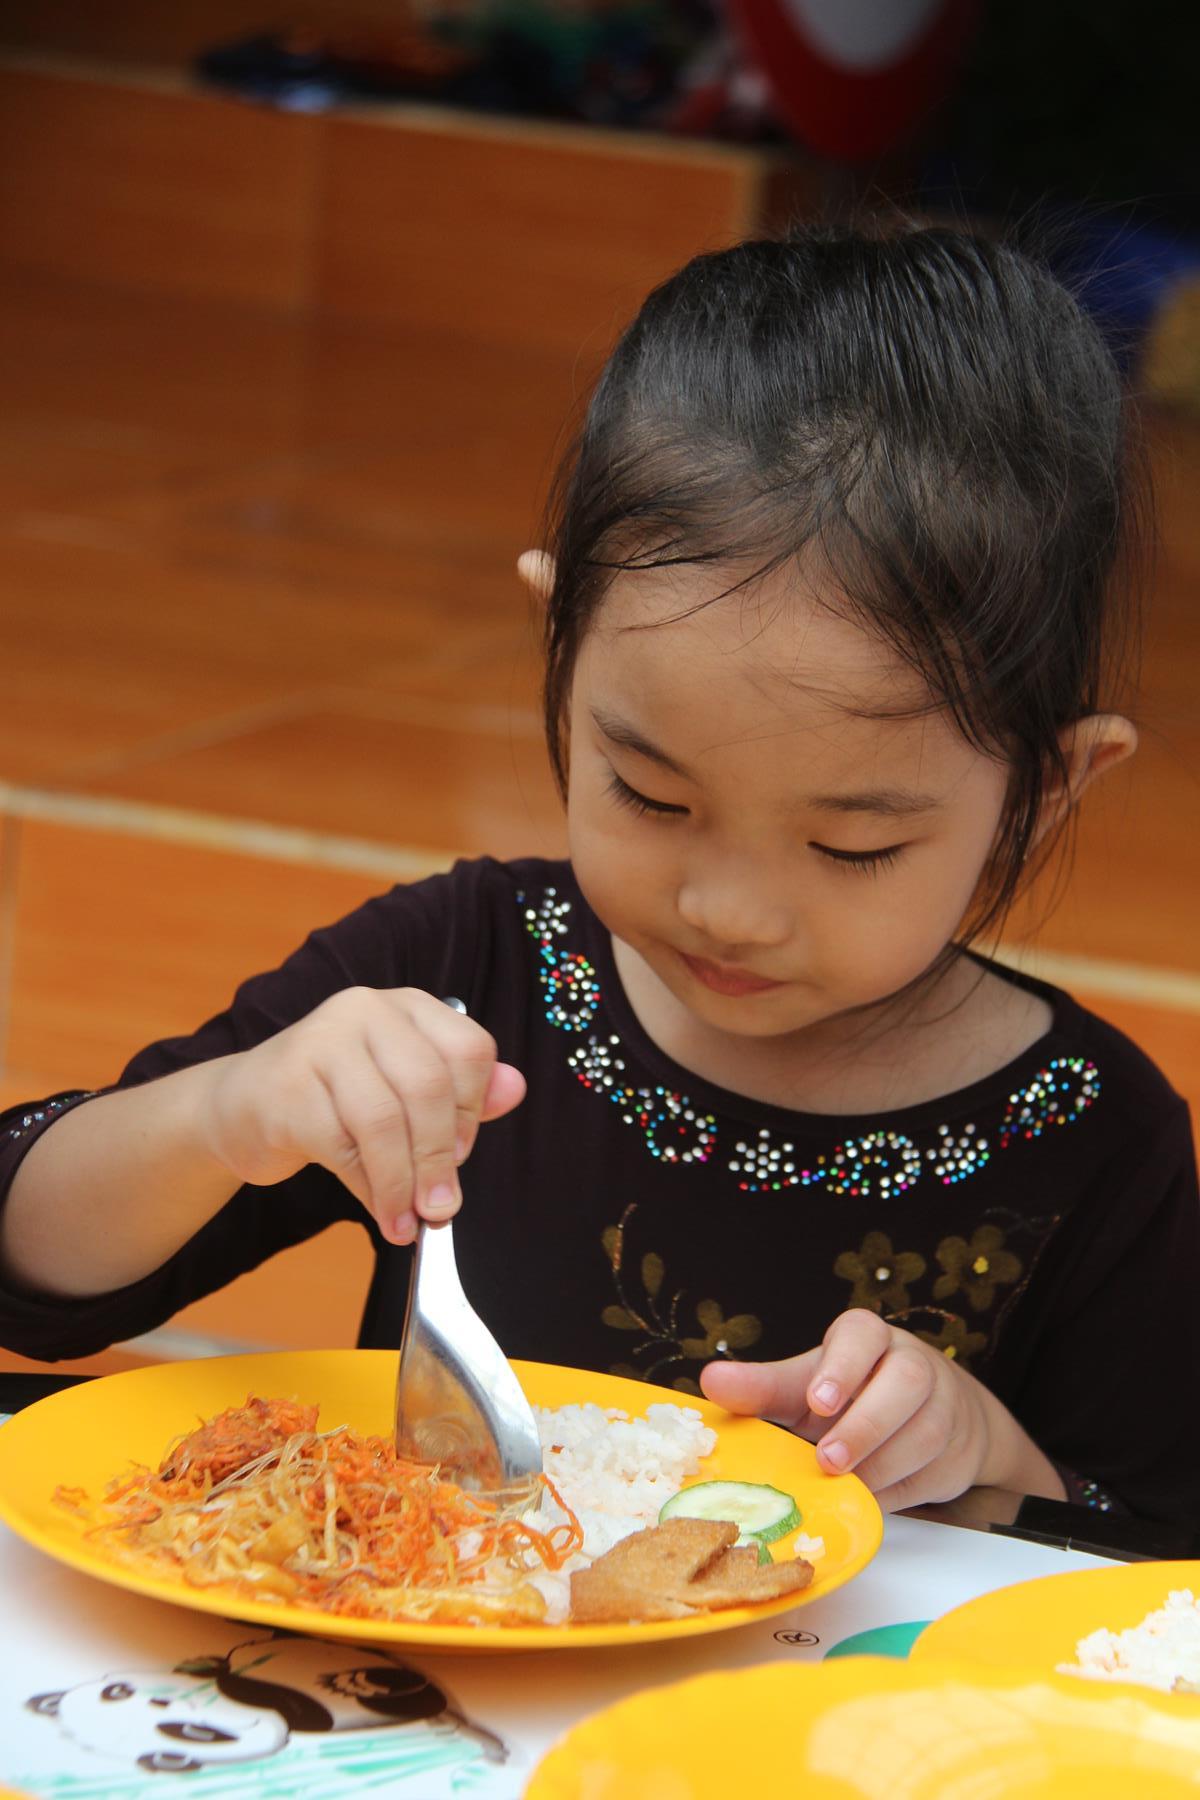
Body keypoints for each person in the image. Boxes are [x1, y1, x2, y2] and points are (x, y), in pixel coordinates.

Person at [2, 225, 1196, 1527]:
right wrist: (228, 1115)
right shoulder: (462, 972)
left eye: (853, 847)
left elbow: (1155, 1557)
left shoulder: (1096, 1142)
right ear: (560, 652)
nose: (727, 909)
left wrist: (989, 1459)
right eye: (652, 795)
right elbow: (36, 1270)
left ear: (1048, 787)